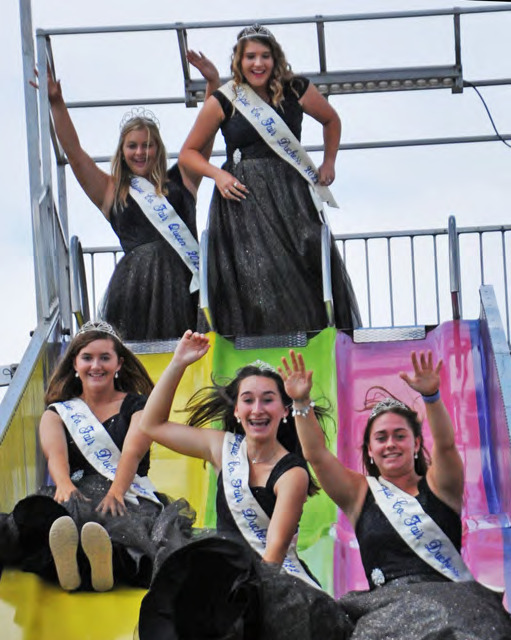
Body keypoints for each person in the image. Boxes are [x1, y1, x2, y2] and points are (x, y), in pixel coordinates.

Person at [280, 349, 511, 640]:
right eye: (381, 437)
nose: (391, 443)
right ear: (371, 451)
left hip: (453, 596)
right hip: (388, 607)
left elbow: (446, 447)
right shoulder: (361, 494)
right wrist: (301, 404)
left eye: (400, 435)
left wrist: (431, 398)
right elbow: (316, 456)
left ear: (415, 444)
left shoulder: (441, 486)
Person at [136, 329, 350, 640]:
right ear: (235, 410)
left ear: (284, 410)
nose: (257, 409)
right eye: (247, 400)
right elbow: (152, 424)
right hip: (223, 564)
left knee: (268, 612)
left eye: (268, 399)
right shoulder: (222, 447)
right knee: (186, 589)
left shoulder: (293, 474)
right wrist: (179, 362)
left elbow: (271, 554)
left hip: (270, 575)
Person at [179, 25, 361, 338]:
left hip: (291, 196)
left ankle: (308, 341)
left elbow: (332, 119)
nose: (258, 63)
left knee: (300, 268)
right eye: (250, 56)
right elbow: (188, 153)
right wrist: (218, 174)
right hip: (243, 200)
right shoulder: (226, 99)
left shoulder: (296, 88)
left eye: (264, 56)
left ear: (275, 59)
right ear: (239, 60)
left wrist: (329, 161)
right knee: (255, 275)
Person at [35, 52, 219, 340]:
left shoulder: (182, 179)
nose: (140, 152)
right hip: (136, 289)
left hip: (183, 285)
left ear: (158, 149)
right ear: (122, 151)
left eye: (147, 145)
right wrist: (57, 103)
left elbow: (205, 134)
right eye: (132, 146)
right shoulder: (112, 190)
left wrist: (212, 83)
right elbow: (75, 155)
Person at [0, 321, 194, 592]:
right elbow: (56, 458)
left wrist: (116, 492)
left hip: (126, 493)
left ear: (119, 364)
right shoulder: (58, 413)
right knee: (42, 519)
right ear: (75, 365)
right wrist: (65, 485)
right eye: (87, 358)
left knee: (127, 532)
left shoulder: (138, 406)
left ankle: (103, 565)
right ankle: (73, 564)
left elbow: (132, 452)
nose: (96, 365)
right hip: (76, 492)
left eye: (105, 357)